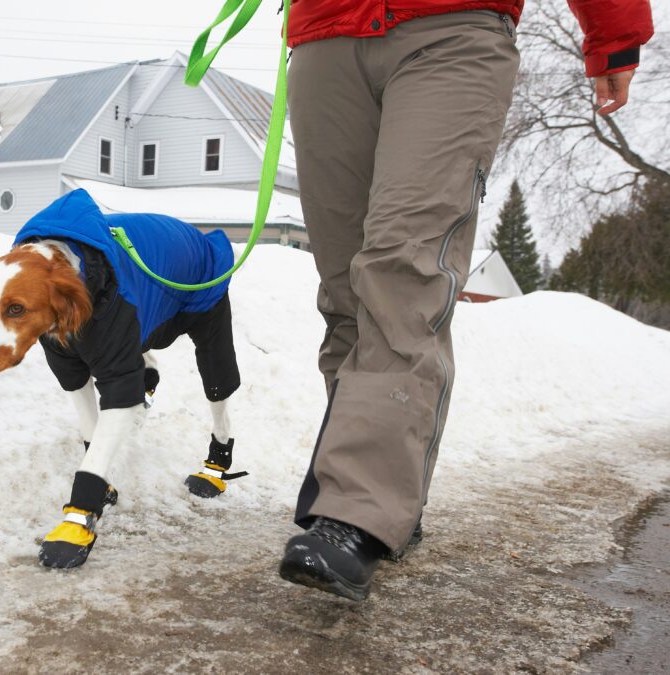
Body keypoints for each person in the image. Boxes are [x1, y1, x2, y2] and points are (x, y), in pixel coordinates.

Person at [277, 0, 654, 601]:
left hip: (451, 31)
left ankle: (358, 509)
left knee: (403, 268)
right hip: (326, 35)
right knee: (347, 285)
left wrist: (614, 33)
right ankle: (373, 492)